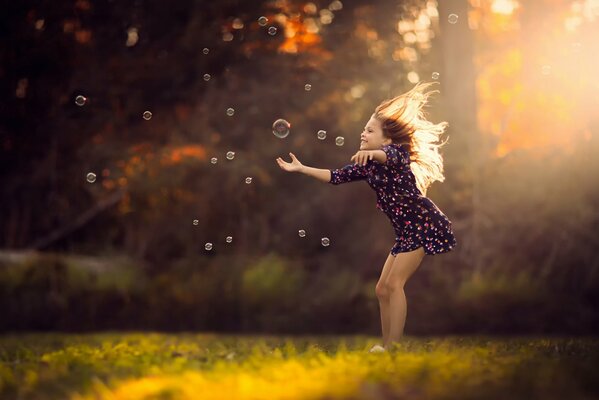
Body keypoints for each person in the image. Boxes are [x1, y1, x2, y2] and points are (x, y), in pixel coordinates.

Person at [276, 81, 457, 352]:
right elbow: (334, 177)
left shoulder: (396, 155)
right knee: (382, 289)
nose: (363, 133)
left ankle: (393, 348)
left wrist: (373, 152)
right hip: (404, 233)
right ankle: (386, 346)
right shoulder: (367, 164)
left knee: (395, 284)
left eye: (370, 130)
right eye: (363, 128)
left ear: (386, 139)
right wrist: (301, 168)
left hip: (422, 226)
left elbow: (391, 156)